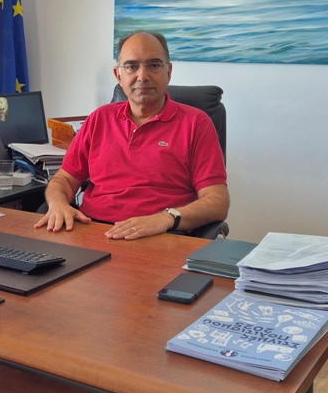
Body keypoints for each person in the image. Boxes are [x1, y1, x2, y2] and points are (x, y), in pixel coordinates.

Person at [35, 31, 229, 240]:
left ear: (168, 71)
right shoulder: (99, 118)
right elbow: (64, 179)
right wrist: (58, 204)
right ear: (119, 75)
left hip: (162, 236)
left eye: (154, 65)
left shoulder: (196, 124)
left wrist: (166, 218)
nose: (142, 76)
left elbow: (217, 202)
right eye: (131, 66)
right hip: (93, 232)